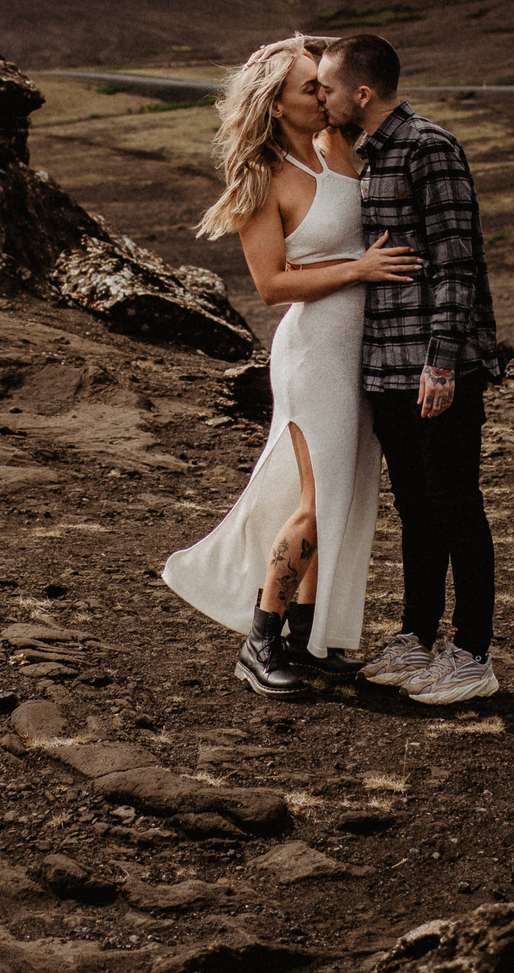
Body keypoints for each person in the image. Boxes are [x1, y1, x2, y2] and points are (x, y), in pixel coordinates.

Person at [163, 35, 419, 697]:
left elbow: (344, 61)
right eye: (309, 86)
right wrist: (359, 268)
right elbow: (273, 284)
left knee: (341, 496)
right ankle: (260, 642)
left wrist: (297, 45)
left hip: (354, 349)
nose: (323, 92)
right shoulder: (262, 179)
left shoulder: (336, 147)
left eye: (322, 83)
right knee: (314, 501)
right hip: (313, 356)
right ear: (277, 105)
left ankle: (307, 637)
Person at [315, 34, 505, 705]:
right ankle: (416, 637)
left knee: (456, 505)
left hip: (434, 367)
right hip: (387, 368)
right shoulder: (369, 155)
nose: (321, 96)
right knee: (417, 510)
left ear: (362, 94)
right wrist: (319, 46)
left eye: (329, 87)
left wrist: (443, 362)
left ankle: (473, 653)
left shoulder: (429, 147)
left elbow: (457, 261)